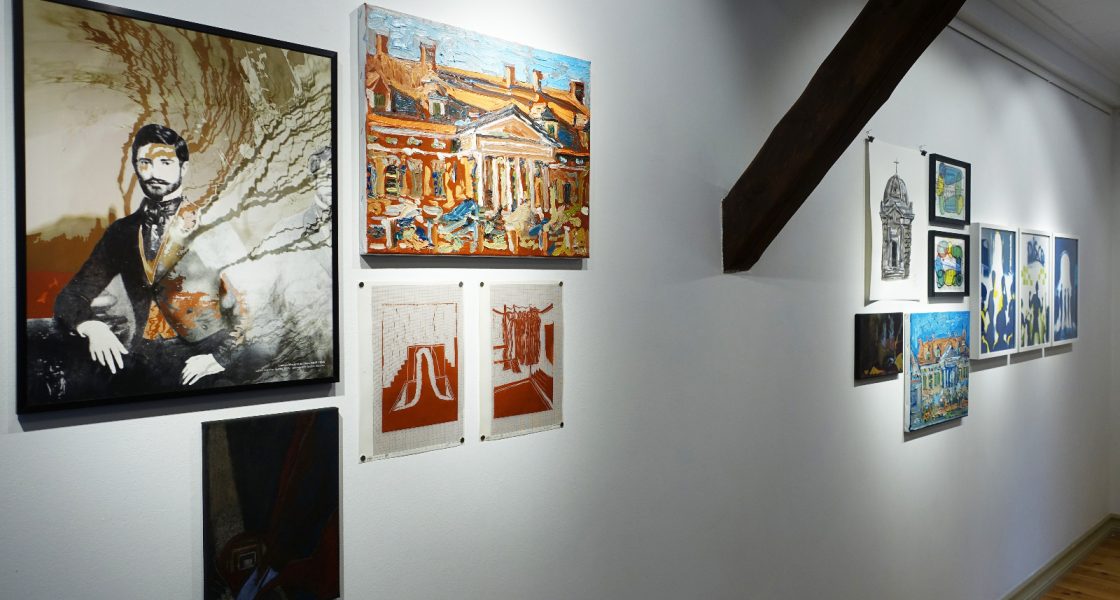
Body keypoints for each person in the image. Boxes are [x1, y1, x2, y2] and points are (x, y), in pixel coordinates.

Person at [54, 124, 235, 393]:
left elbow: (252, 306)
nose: (154, 173)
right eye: (145, 163)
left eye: (165, 163)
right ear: (136, 168)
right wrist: (91, 326)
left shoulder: (214, 226)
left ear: (183, 168)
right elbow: (71, 295)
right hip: (142, 358)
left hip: (206, 360)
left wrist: (220, 358)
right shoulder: (122, 232)